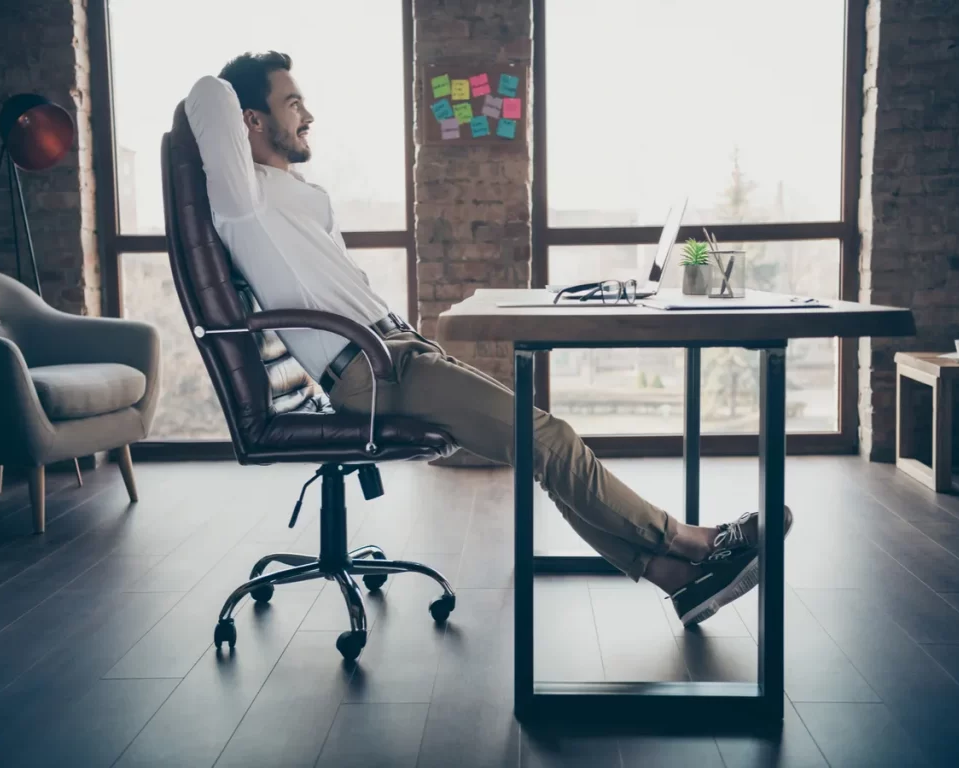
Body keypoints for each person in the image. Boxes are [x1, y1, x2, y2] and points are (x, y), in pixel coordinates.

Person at [183, 51, 792, 627]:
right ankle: (692, 540)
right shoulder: (245, 200)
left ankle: (678, 582)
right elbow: (207, 96)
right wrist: (235, 100)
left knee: (543, 453)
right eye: (292, 103)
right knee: (549, 440)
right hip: (372, 372)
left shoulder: (297, 196)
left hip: (398, 353)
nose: (308, 115)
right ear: (251, 121)